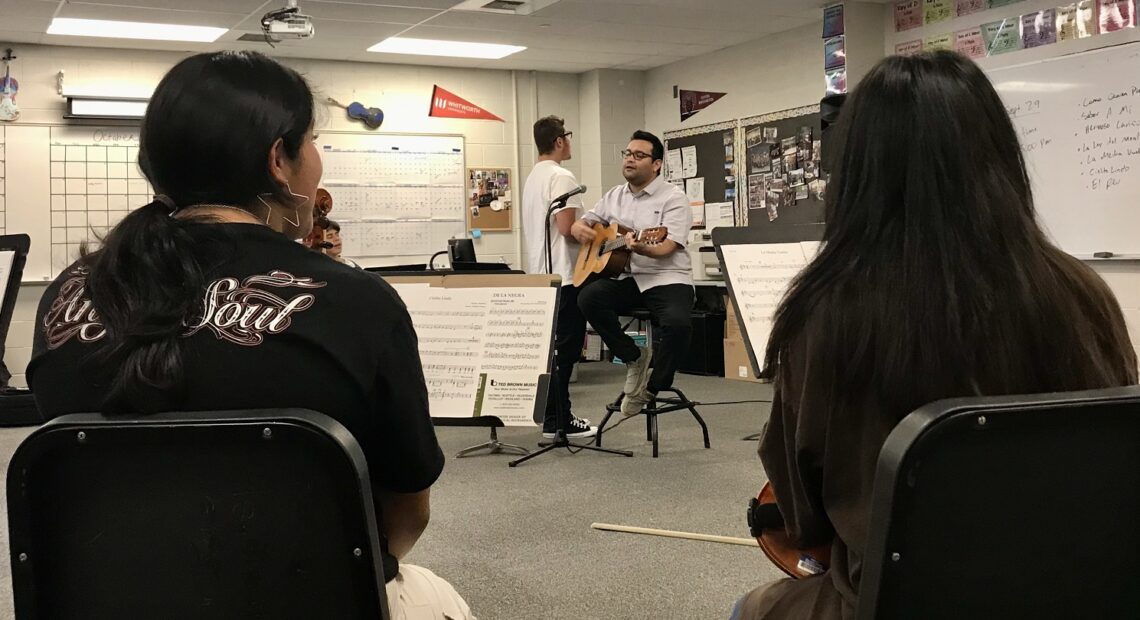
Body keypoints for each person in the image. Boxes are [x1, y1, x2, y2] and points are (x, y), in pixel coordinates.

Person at [26, 51, 472, 620]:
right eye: (311, 141)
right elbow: (405, 516)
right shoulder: (358, 300)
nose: (318, 160)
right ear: (278, 161)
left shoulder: (67, 294)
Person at [733, 51, 1138, 619]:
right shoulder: (1082, 292)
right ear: (1000, 155)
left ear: (857, 168)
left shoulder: (827, 313)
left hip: (903, 601)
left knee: (751, 607)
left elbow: (803, 519)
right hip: (1071, 588)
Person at [571, 130, 695, 417]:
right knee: (588, 297)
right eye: (627, 153)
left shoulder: (673, 199)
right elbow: (587, 221)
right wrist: (580, 227)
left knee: (678, 325)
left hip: (668, 278)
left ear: (657, 164)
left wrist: (641, 247)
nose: (630, 159)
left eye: (639, 155)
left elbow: (665, 247)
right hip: (631, 279)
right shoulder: (614, 195)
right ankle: (633, 357)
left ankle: (651, 388)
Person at [521, 116, 596, 439]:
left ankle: (553, 415)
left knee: (551, 352)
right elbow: (567, 230)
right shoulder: (562, 176)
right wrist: (598, 236)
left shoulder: (533, 177)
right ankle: (559, 419)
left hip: (541, 276)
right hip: (566, 276)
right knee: (565, 351)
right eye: (568, 136)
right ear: (560, 141)